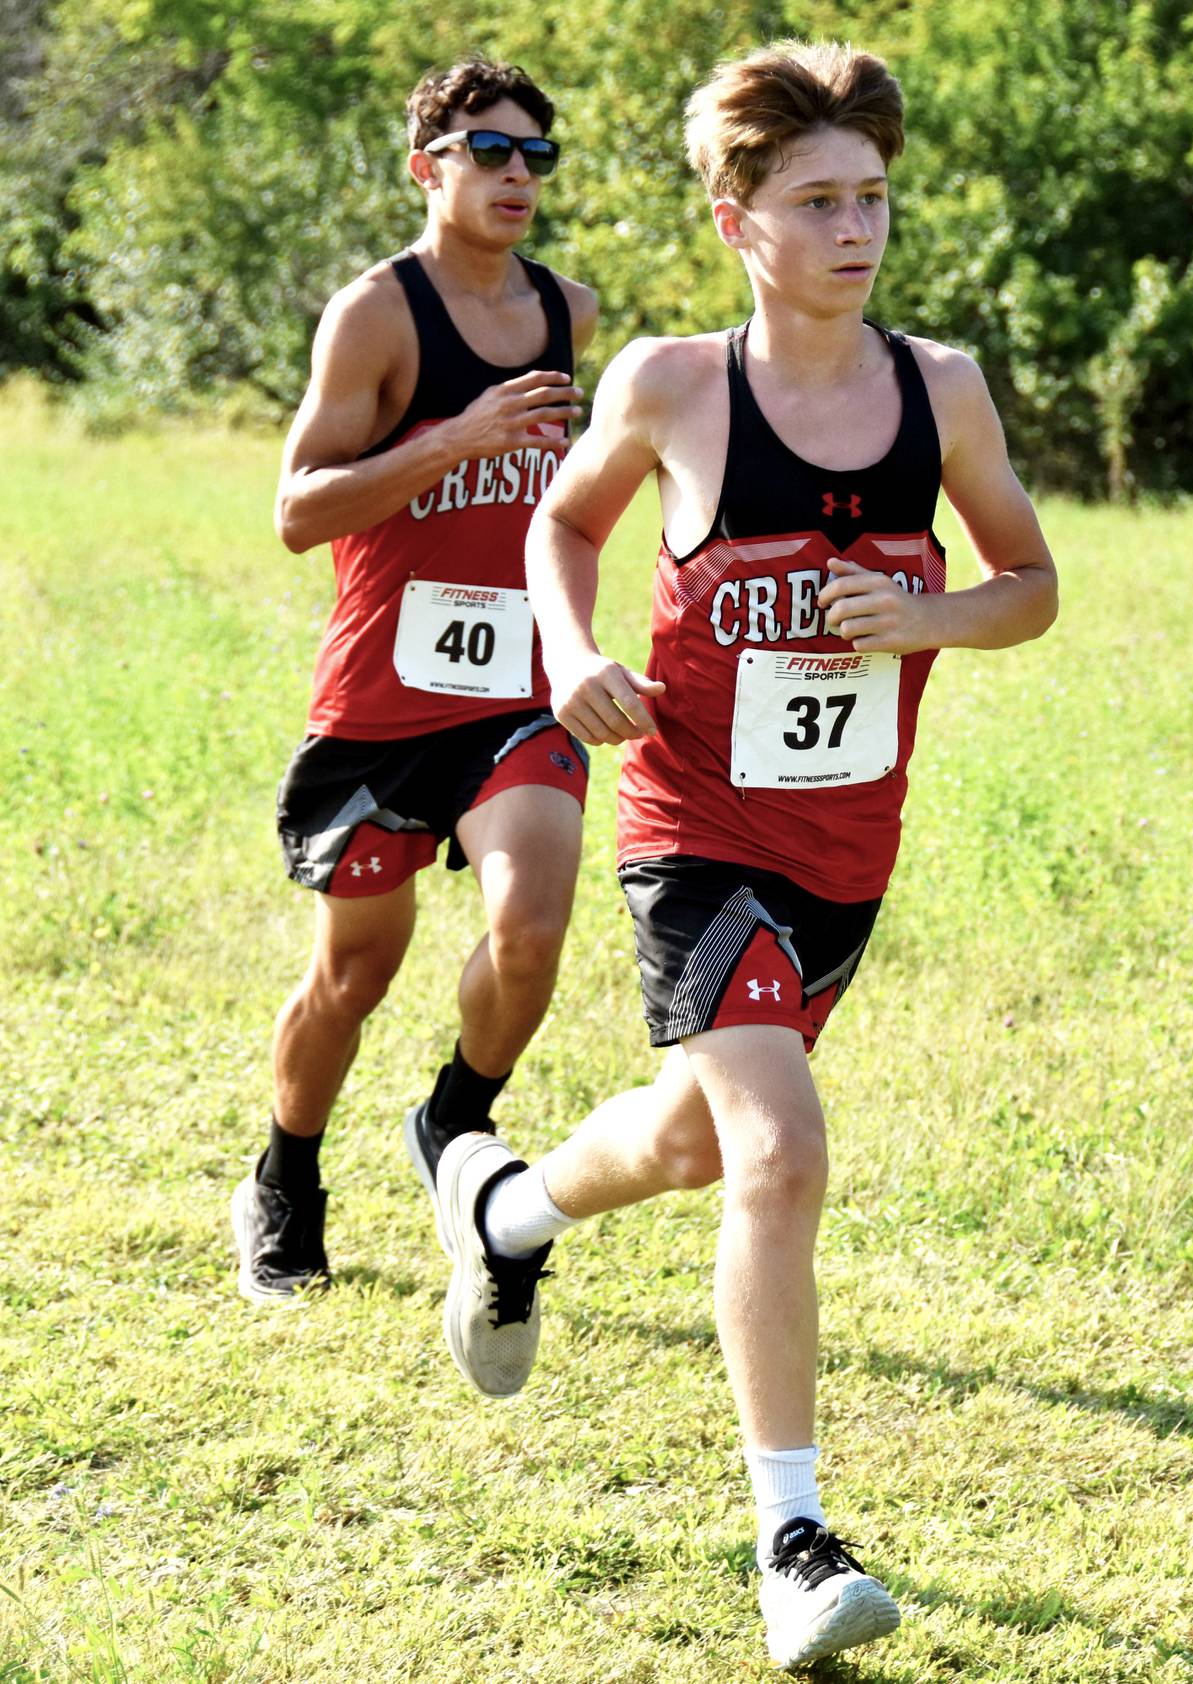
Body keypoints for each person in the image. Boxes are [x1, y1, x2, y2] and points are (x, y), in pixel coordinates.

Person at [437, 40, 1058, 1670]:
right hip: (696, 828)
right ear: (738, 218)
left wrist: (930, 613)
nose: (857, 229)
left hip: (849, 848)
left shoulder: (943, 390)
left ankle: (507, 1216)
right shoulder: (672, 384)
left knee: (699, 1142)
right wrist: (569, 650)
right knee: (781, 1146)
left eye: (872, 197)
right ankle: (794, 1535)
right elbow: (561, 524)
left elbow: (1033, 582)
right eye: (817, 201)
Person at [231, 54, 598, 1305]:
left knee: (532, 925)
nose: (516, 176)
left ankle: (455, 1117)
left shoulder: (570, 313)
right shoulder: (377, 315)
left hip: (518, 694)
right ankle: (285, 1174)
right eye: (488, 152)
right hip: (383, 705)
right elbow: (296, 508)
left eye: (535, 157)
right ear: (425, 167)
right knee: (354, 975)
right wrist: (453, 437)